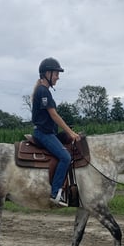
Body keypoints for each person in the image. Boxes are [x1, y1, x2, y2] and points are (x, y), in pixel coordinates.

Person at [31, 57, 81, 206]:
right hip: (43, 133)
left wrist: (69, 133)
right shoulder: (43, 91)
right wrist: (70, 133)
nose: (58, 77)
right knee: (65, 157)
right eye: (56, 74)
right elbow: (53, 115)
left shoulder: (43, 90)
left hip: (49, 133)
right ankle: (55, 192)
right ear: (47, 73)